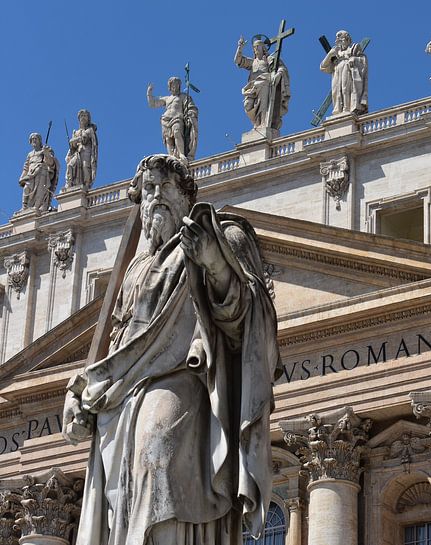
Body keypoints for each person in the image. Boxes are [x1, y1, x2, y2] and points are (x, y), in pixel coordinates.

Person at [62, 154, 280, 545]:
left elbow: (246, 319)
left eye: (165, 187)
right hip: (123, 397)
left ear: (186, 195)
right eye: (148, 189)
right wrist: (82, 391)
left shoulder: (217, 237)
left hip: (182, 377)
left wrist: (213, 262)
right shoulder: (135, 268)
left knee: (158, 449)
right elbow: (116, 347)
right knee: (124, 497)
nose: (155, 196)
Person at [235, 37, 291, 135]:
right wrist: (240, 47)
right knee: (247, 105)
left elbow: (281, 68)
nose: (255, 49)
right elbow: (238, 61)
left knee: (263, 107)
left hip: (264, 85)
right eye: (254, 47)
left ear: (263, 48)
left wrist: (278, 74)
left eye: (257, 47)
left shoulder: (269, 59)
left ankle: (261, 125)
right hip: (252, 88)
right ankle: (257, 123)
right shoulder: (252, 62)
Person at [146, 77, 198, 164]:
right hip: (165, 120)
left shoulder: (183, 96)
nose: (175, 87)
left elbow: (191, 107)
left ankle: (181, 154)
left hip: (177, 118)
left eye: (177, 85)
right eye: (173, 85)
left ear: (179, 86)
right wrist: (149, 93)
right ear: (170, 87)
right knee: (168, 139)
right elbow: (153, 104)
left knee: (177, 133)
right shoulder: (167, 98)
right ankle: (171, 157)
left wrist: (190, 114)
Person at [320, 30, 368, 116]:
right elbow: (323, 67)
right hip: (336, 71)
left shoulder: (353, 49)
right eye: (339, 40)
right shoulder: (335, 51)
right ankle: (337, 110)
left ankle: (346, 108)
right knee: (336, 91)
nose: (341, 41)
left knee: (345, 88)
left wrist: (354, 59)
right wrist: (329, 55)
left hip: (347, 69)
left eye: (342, 39)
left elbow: (363, 60)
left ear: (347, 39)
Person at [19, 132, 58, 213]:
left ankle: (37, 207)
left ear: (40, 140)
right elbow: (26, 167)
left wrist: (46, 154)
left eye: (35, 138)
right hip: (30, 174)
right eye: (32, 139)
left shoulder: (46, 150)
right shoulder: (30, 154)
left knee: (40, 191)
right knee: (26, 188)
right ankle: (25, 207)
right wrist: (22, 177)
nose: (34, 140)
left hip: (41, 173)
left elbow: (51, 163)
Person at [65, 109, 99, 189]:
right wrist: (73, 143)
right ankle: (71, 184)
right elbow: (72, 145)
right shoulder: (75, 132)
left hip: (86, 152)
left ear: (88, 118)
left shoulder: (90, 130)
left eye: (85, 116)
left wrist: (75, 140)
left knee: (85, 168)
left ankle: (86, 186)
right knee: (70, 165)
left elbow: (86, 140)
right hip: (77, 153)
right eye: (81, 116)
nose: (83, 118)